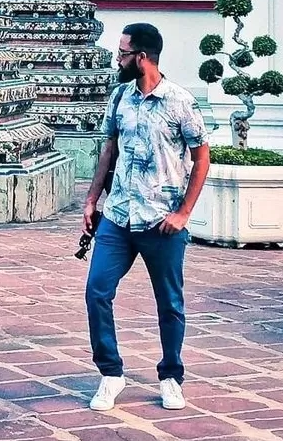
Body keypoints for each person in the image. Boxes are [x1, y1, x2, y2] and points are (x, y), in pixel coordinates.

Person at [82, 22, 210, 413]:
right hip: (119, 217)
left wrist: (184, 213)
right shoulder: (119, 96)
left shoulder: (180, 102)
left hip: (161, 222)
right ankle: (110, 373)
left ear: (141, 57)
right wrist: (91, 200)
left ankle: (171, 376)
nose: (117, 60)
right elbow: (109, 149)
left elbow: (201, 157)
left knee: (169, 303)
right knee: (96, 292)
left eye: (122, 53)